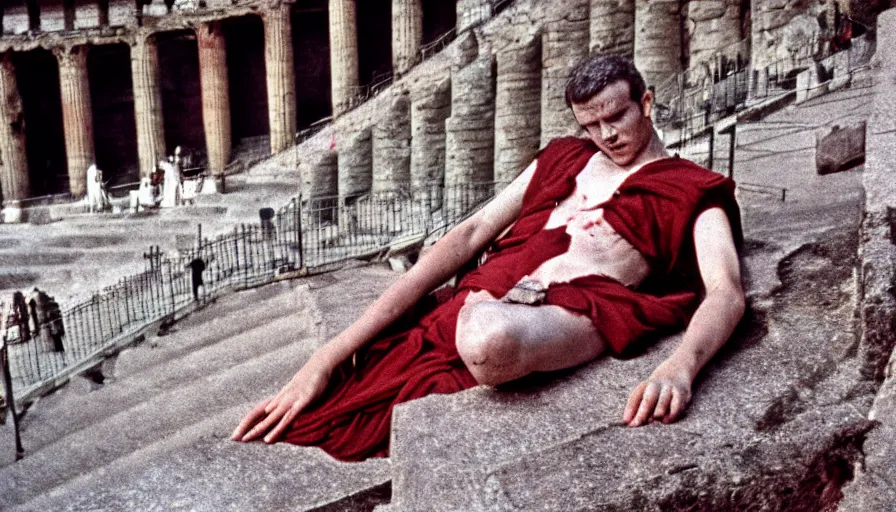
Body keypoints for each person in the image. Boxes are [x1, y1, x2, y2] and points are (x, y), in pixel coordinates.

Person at [232, 55, 745, 461]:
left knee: (488, 340)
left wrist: (681, 368)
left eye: (617, 116)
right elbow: (472, 232)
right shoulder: (567, 156)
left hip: (571, 312)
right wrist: (325, 358)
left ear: (647, 103)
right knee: (331, 397)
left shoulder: (693, 189)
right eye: (592, 125)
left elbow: (726, 290)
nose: (607, 136)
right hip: (479, 296)